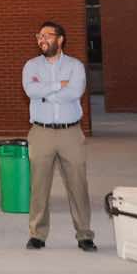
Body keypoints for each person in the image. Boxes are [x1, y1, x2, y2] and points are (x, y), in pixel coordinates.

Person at [21, 21, 96, 251]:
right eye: (39, 36)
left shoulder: (75, 66)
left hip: (70, 133)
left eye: (47, 35)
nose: (41, 39)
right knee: (39, 186)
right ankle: (37, 234)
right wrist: (58, 85)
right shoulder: (31, 66)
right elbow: (31, 91)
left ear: (60, 39)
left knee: (78, 185)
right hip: (41, 132)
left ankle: (84, 234)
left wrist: (45, 93)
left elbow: (75, 92)